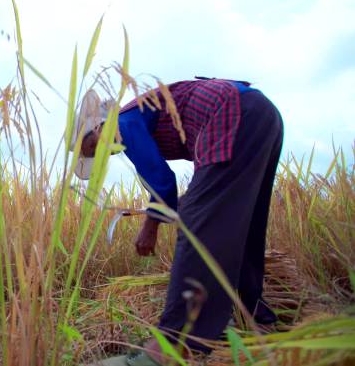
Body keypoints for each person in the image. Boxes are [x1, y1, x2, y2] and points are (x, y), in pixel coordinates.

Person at [74, 77, 284, 366]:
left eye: (93, 146)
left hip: (233, 114)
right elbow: (201, 189)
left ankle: (171, 344)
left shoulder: (123, 122)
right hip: (261, 115)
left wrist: (151, 225)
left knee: (197, 230)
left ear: (99, 124)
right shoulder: (141, 113)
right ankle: (255, 316)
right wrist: (185, 203)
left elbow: (161, 182)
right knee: (242, 224)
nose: (101, 153)